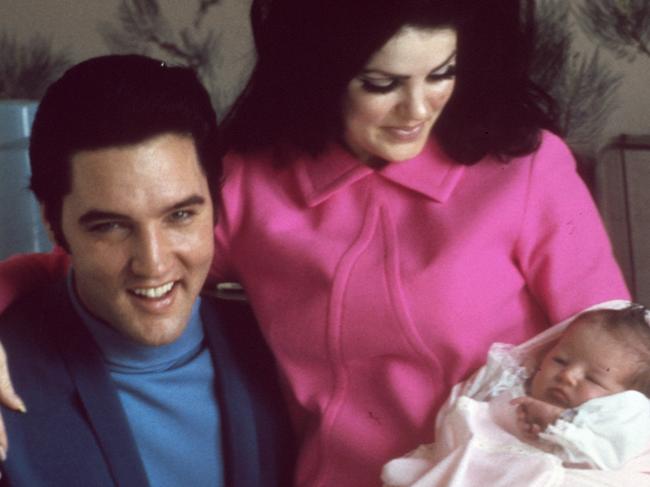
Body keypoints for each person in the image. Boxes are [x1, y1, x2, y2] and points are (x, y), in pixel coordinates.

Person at [0, 1, 631, 485]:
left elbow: (622, 366)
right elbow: (108, 263)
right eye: (381, 84)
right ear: (323, 74)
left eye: (441, 73)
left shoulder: (525, 171)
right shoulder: (252, 184)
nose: (418, 108)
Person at [0, 55, 294, 487]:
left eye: (179, 216)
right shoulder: (7, 371)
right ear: (52, 222)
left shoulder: (284, 346)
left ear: (216, 204)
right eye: (111, 227)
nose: (153, 263)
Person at [381, 302, 650, 486]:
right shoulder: (511, 386)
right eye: (560, 360)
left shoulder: (625, 420)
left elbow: (603, 454)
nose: (568, 376)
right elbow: (468, 419)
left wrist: (559, 421)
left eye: (592, 378)